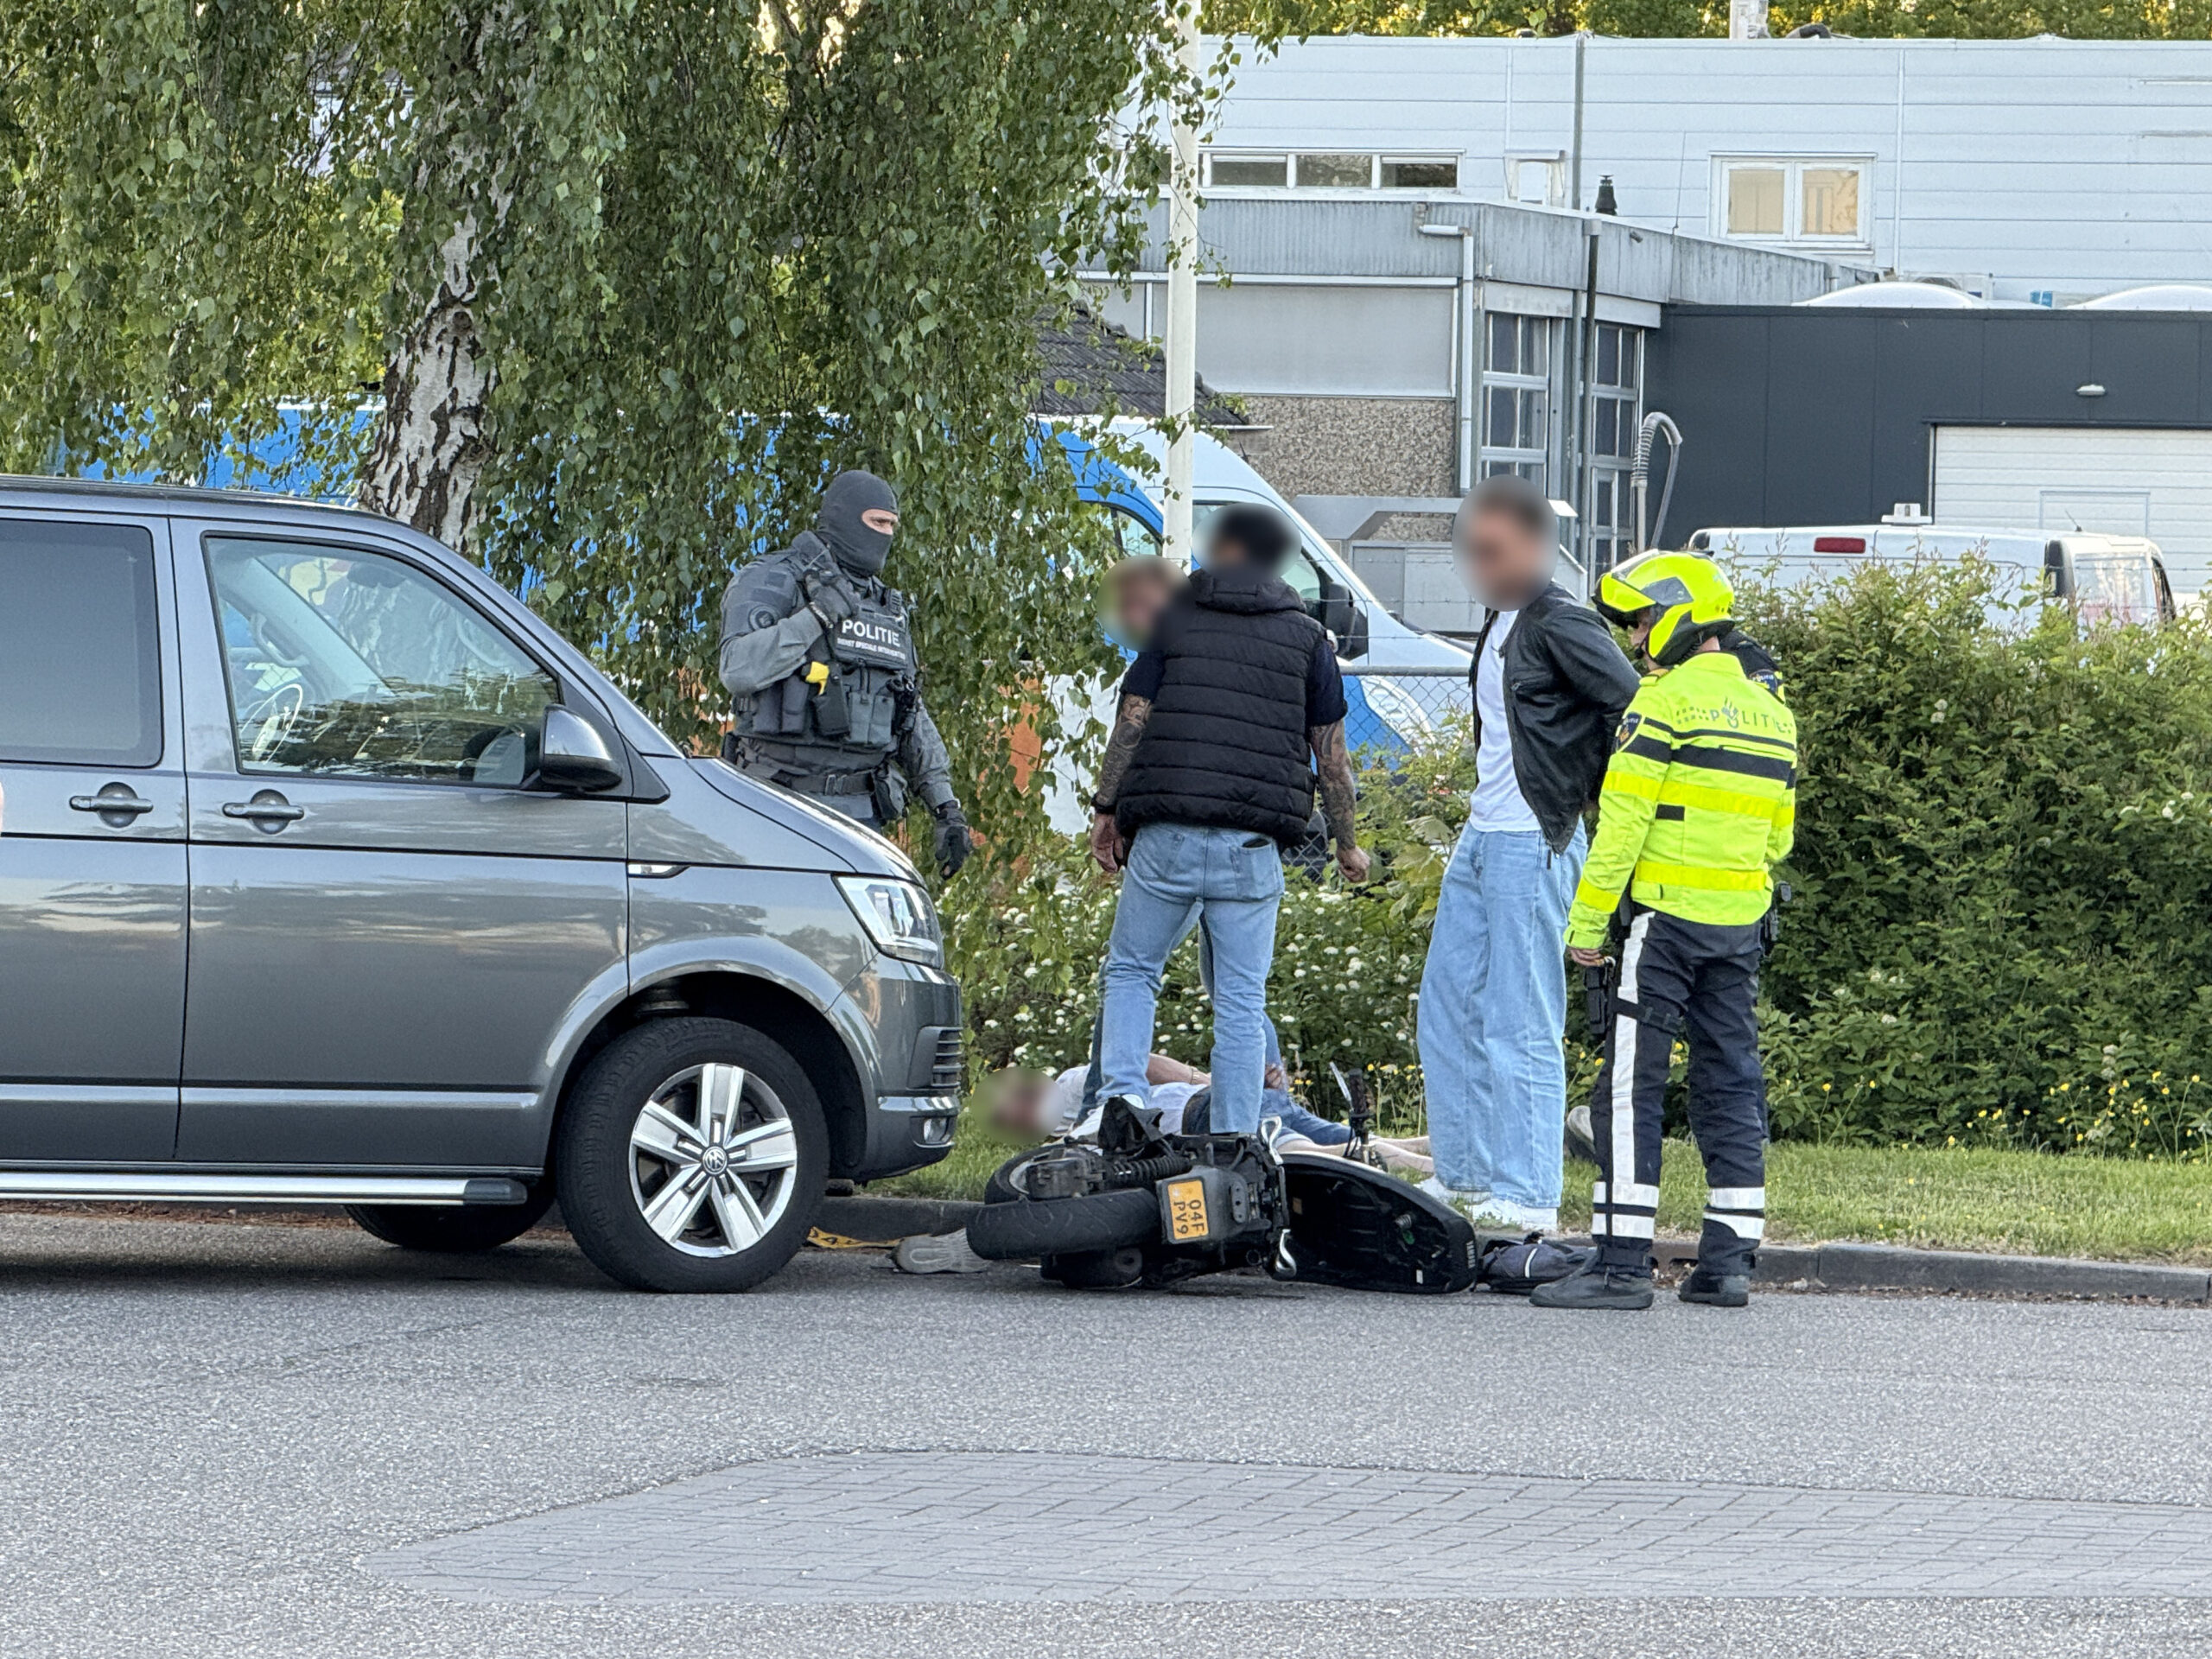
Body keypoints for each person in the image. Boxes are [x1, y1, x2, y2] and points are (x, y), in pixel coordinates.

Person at [1531, 552, 1798, 1313]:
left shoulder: (1662, 706)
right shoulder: (1773, 716)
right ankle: (1727, 1263)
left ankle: (1619, 1266)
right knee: (1730, 1079)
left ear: (1681, 612)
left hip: (1663, 926)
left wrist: (1586, 923)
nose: (1638, 638)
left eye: (1643, 620)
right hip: (1739, 928)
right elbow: (1777, 839)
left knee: (1629, 1087)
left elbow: (1620, 827)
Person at [1088, 505, 1370, 1134]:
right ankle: (1239, 1140)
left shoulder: (1177, 618)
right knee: (1241, 1001)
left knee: (1134, 970)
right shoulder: (1308, 640)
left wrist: (1106, 809)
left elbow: (1132, 719)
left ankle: (1122, 1107)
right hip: (1251, 847)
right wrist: (1347, 845)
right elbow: (1333, 759)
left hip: (1166, 837)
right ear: (1278, 561)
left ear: (1223, 551)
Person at [1416, 475, 1640, 1232]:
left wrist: (1592, 791)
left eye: (1492, 547)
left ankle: (1531, 1193)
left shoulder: (1561, 622)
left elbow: (1630, 703)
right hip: (1482, 836)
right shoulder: (1501, 618)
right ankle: (1466, 1175)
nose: (1478, 560)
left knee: (1521, 1017)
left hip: (1534, 838)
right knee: (1446, 1005)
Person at [717, 470, 974, 878]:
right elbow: (738, 669)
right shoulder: (775, 577)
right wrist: (815, 618)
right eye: (878, 522)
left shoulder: (886, 606)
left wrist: (947, 807)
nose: (887, 534)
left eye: (893, 525)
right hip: (778, 805)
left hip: (862, 817)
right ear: (845, 517)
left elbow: (909, 709)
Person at [986, 1058, 1433, 1173]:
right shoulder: (1070, 1125)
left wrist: (1208, 1080)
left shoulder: (1072, 1086)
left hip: (1203, 1110)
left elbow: (1148, 1062)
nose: (1023, 1122)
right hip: (1214, 1100)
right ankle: (1429, 1151)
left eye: (1018, 1112)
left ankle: (1422, 1165)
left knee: (1322, 1152)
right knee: (1336, 1139)